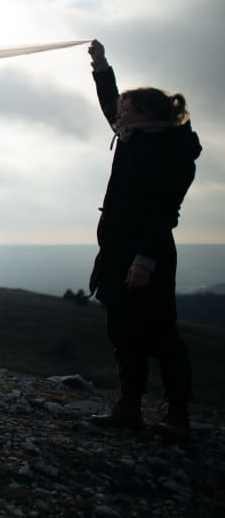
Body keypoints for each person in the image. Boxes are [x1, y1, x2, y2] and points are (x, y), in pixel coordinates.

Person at [85, 40, 201, 440]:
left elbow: (165, 211)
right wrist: (100, 67)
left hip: (145, 255)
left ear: (148, 115)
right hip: (117, 250)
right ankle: (129, 406)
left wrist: (145, 260)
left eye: (128, 110)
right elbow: (108, 102)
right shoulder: (134, 137)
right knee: (122, 331)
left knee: (161, 335)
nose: (120, 114)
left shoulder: (169, 152)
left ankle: (178, 414)